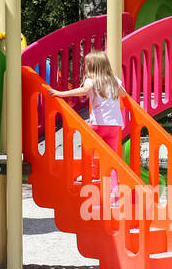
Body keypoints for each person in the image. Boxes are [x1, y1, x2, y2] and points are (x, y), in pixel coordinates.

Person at [47, 51, 126, 206]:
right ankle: (114, 191)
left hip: (98, 124)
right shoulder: (114, 79)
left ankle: (87, 176)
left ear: (91, 67)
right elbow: (123, 94)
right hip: (114, 125)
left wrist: (60, 93)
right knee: (111, 159)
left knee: (87, 150)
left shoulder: (92, 80)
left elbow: (83, 91)